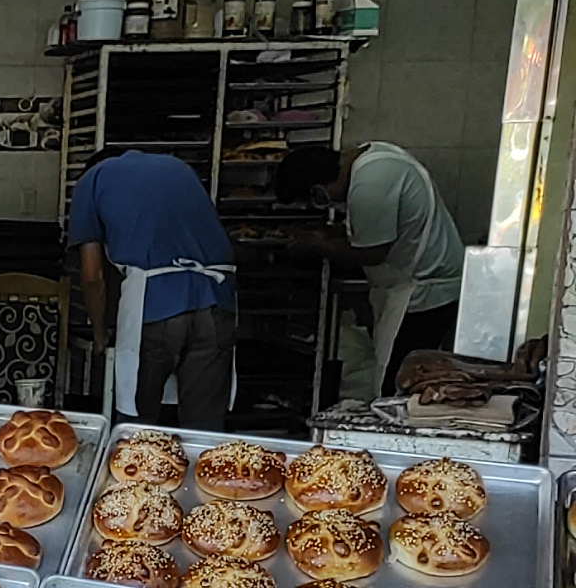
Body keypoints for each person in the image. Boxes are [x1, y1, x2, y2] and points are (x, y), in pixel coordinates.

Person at [68, 147, 238, 429]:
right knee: (205, 431)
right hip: (217, 301)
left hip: (155, 305)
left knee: (136, 427)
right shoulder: (178, 168)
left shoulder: (92, 181)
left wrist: (99, 333)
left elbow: (91, 275)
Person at [276, 143, 465, 395]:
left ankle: (397, 432)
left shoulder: (370, 183)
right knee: (399, 378)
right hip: (418, 285)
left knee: (400, 384)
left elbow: (372, 253)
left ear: (319, 190)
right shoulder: (371, 159)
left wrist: (315, 245)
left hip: (424, 291)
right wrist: (326, 234)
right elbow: (374, 229)